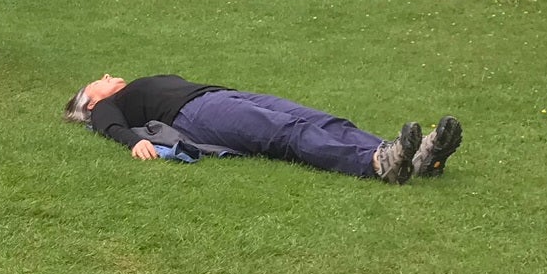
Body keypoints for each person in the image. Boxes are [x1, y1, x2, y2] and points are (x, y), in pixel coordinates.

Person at [63, 74, 462, 184]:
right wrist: (134, 143)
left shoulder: (121, 91)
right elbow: (107, 125)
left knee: (321, 120)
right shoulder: (106, 108)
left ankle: (411, 156)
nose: (106, 75)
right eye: (97, 81)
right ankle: (375, 163)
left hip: (223, 96)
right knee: (287, 132)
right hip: (196, 113)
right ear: (90, 100)